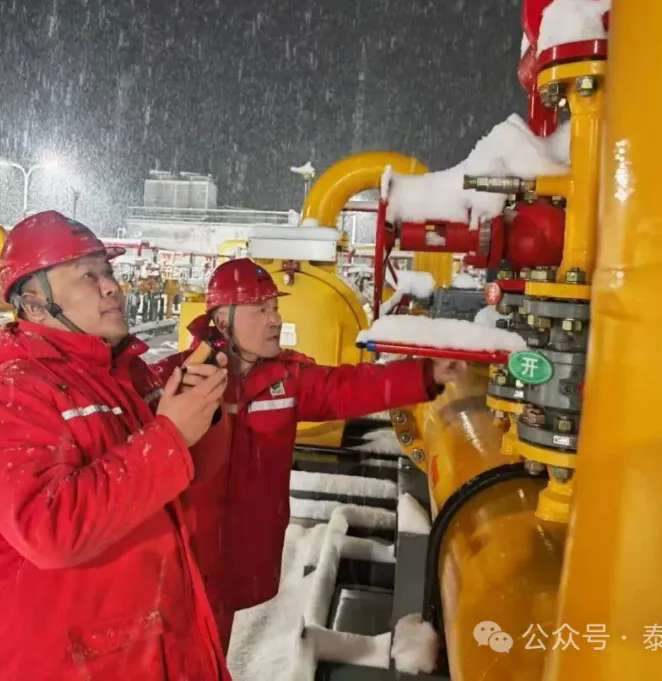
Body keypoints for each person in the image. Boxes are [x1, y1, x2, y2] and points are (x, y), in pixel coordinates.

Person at [0, 210, 231, 680]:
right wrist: (170, 436)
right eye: (88, 276)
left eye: (108, 272)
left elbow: (175, 488)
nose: (111, 287)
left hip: (146, 646)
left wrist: (201, 414)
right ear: (35, 305)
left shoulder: (124, 376)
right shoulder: (10, 394)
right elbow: (50, 530)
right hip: (63, 664)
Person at [153, 258, 466, 649]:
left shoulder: (286, 379)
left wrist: (425, 374)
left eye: (274, 307)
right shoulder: (179, 378)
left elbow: (349, 387)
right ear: (222, 321)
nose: (275, 319)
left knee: (211, 650)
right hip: (179, 558)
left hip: (240, 555)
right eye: (259, 310)